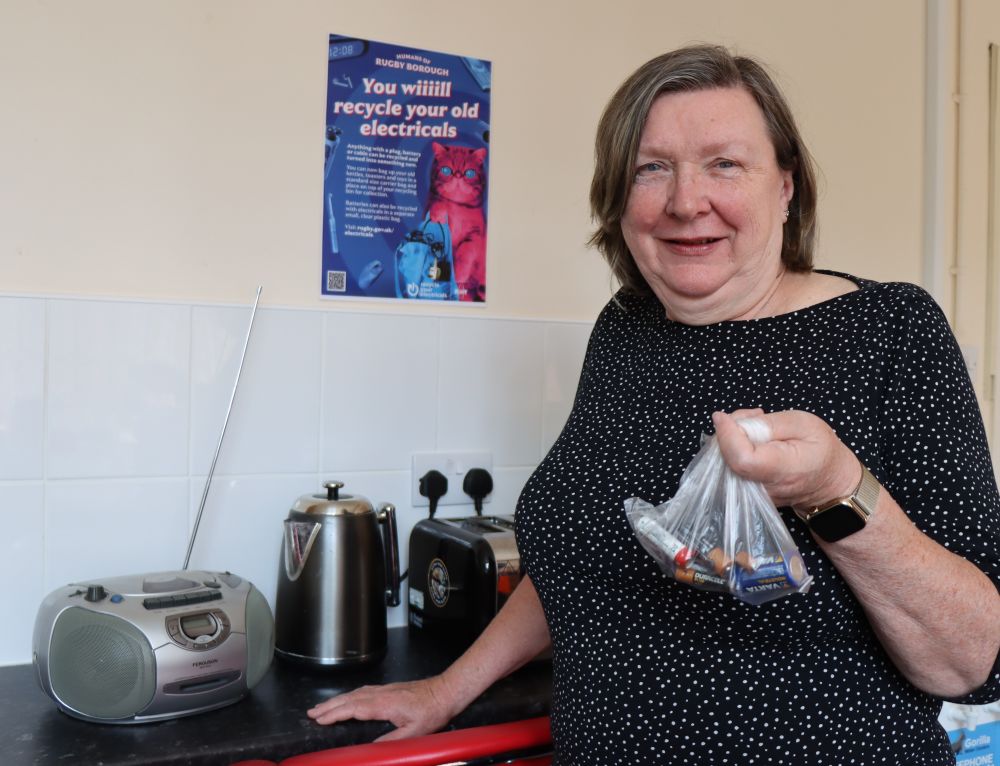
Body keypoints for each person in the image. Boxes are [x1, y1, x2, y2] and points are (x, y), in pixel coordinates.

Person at [307, 44, 1000, 764]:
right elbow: (584, 558)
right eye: (652, 168)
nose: (685, 201)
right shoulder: (626, 330)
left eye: (724, 164)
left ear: (786, 187)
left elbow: (970, 662)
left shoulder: (890, 332)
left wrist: (833, 490)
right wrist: (447, 689)